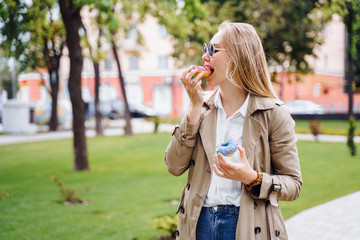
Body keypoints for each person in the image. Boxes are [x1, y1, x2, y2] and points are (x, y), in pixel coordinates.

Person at [164, 21, 302, 240]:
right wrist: (193, 109)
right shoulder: (202, 107)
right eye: (205, 49)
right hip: (199, 224)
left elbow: (293, 185)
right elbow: (173, 165)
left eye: (213, 50)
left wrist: (252, 178)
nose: (205, 58)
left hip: (247, 226)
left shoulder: (274, 113)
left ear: (237, 57)